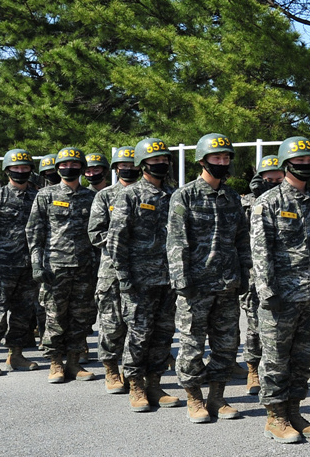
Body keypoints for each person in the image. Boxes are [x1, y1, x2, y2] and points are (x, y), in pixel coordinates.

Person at [251, 136, 310, 443]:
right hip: (280, 297)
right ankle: (275, 416)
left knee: (303, 359)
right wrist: (267, 290)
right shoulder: (269, 202)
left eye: (309, 162)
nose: (305, 166)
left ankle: (293, 410)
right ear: (285, 164)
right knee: (276, 359)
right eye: (299, 162)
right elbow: (260, 251)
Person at [168, 134, 249, 424]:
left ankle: (217, 396)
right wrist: (181, 279)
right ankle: (194, 398)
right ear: (202, 160)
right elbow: (177, 242)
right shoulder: (185, 196)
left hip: (227, 284)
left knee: (226, 344)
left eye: (226, 158)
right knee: (191, 344)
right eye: (217, 158)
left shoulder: (232, 197)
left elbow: (242, 240)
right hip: (195, 286)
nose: (222, 162)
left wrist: (246, 274)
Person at [105, 137, 181, 412]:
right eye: (154, 160)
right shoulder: (130, 195)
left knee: (163, 334)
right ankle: (136, 386)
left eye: (163, 160)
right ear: (142, 164)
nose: (160, 164)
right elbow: (116, 241)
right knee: (138, 334)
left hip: (168, 280)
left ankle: (155, 383)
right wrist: (124, 278)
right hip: (139, 281)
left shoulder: (174, 195)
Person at [26, 146, 99, 384]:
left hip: (85, 267)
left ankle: (75, 362)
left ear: (82, 168)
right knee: (55, 316)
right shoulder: (45, 195)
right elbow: (34, 232)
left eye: (75, 165)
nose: (70, 168)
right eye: (64, 165)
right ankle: (55, 363)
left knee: (82, 317)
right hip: (55, 267)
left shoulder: (91, 197)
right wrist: (37, 264)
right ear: (57, 169)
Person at [0, 149, 42, 376]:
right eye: (16, 168)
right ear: (7, 171)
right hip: (2, 266)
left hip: (29, 266)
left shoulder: (37, 198)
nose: (21, 172)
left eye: (25, 168)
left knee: (23, 313)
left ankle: (16, 354)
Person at [89, 146, 137, 394]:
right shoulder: (105, 196)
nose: (128, 169)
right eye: (123, 165)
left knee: (139, 325)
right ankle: (110, 369)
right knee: (111, 323)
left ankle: (133, 372)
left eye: (132, 164)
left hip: (145, 271)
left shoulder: (154, 194)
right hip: (112, 271)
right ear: (116, 168)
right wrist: (127, 240)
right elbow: (95, 234)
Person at [240, 155, 283, 395]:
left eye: (279, 179)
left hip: (285, 275)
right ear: (259, 179)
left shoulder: (290, 201)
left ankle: (275, 372)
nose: (274, 183)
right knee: (256, 325)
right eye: (269, 179)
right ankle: (253, 370)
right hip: (253, 277)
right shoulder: (246, 204)